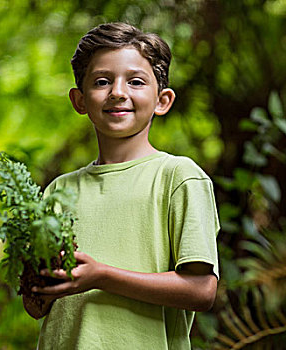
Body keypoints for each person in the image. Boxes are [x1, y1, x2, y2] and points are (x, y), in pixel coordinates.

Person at [24, 22, 220, 349]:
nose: (117, 91)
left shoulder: (179, 177)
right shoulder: (58, 190)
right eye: (102, 81)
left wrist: (100, 276)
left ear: (162, 100)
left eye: (136, 81)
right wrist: (39, 282)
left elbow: (201, 291)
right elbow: (35, 307)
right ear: (80, 100)